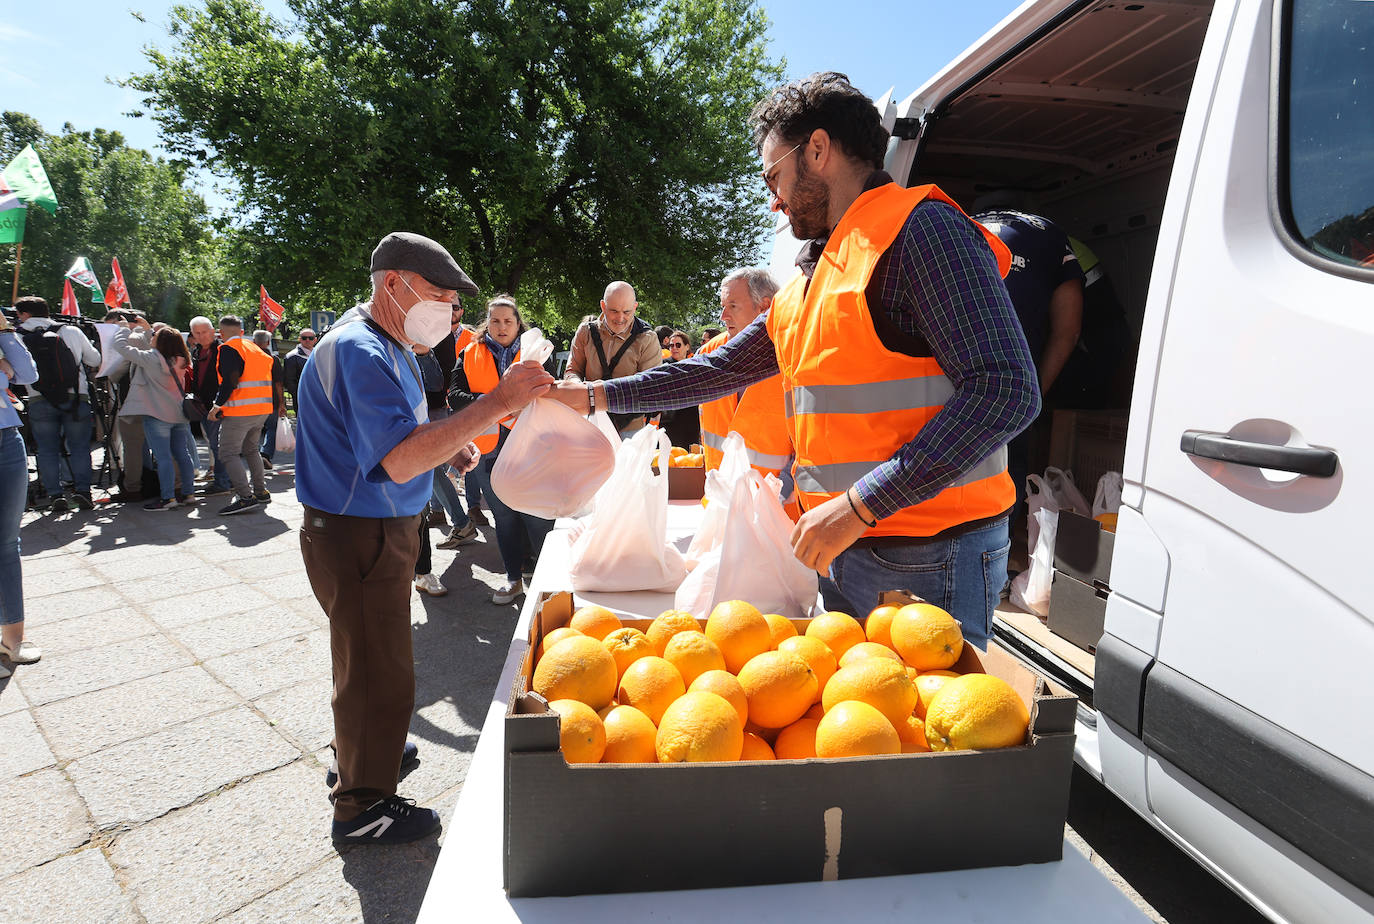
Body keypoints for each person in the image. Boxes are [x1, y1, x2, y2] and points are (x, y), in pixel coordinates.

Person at [551, 72, 1039, 648]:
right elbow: (716, 370)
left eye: (774, 175)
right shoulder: (811, 279)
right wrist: (586, 395)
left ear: (817, 149)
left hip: (930, 557)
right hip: (842, 547)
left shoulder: (923, 232)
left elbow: (1006, 390)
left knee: (927, 734)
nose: (772, 197)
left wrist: (859, 505)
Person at [296, 231, 552, 845]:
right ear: (394, 285)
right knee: (379, 671)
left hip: (369, 526)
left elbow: (398, 440)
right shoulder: (363, 349)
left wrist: (447, 449)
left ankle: (359, 751)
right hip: (361, 532)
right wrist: (496, 403)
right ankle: (362, 806)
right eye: (438, 293)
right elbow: (397, 458)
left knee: (361, 659)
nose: (449, 308)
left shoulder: (386, 345)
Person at [971, 208, 1084, 509]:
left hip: (949, 387)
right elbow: (1068, 331)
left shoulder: (955, 223)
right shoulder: (1049, 232)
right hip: (1012, 388)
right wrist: (1034, 396)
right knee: (1004, 486)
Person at [449, 294, 558, 605]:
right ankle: (513, 580)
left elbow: (552, 390)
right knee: (504, 518)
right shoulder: (470, 351)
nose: (501, 326)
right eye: (495, 320)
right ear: (487, 322)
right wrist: (496, 405)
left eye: (508, 320)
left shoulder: (536, 351)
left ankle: (545, 582)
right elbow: (455, 396)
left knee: (538, 518)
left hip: (531, 448)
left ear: (517, 322)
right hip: (489, 451)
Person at [697, 268, 794, 493]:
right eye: (723, 307)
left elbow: (809, 441)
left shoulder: (794, 356)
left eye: (733, 306)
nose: (723, 316)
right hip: (719, 502)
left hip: (775, 510)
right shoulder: (709, 351)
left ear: (765, 307)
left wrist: (781, 492)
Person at [14, 296, 100, 511]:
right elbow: (95, 360)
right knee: (80, 447)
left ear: (24, 314)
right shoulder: (70, 331)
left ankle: (55, 495)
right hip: (75, 397)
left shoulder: (16, 336)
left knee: (46, 449)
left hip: (38, 398)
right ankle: (83, 491)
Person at [112, 320, 199, 510]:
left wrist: (123, 329)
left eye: (155, 336)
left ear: (161, 342)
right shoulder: (183, 359)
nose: (152, 338)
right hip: (179, 414)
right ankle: (189, 493)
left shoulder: (151, 358)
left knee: (164, 457)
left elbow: (120, 346)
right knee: (183, 455)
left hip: (157, 414)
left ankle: (168, 498)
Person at [563, 280, 661, 436]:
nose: (620, 318)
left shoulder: (647, 338)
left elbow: (651, 386)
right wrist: (579, 387)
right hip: (590, 423)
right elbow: (572, 370)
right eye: (614, 311)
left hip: (629, 429)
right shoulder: (585, 332)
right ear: (603, 306)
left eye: (627, 312)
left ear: (635, 307)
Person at [0, 312, 40, 668]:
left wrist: (5, 332)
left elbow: (27, 374)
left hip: (7, 438)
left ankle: (12, 640)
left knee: (7, 543)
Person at [207, 316, 274, 515]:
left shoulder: (229, 349)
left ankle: (246, 497)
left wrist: (216, 406)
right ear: (242, 332)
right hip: (261, 409)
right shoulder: (256, 350)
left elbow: (230, 381)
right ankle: (260, 491)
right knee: (251, 450)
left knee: (228, 453)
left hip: (239, 410)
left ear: (221, 332)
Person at [432, 302, 480, 551]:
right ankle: (441, 513)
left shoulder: (464, 338)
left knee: (433, 467)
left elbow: (448, 376)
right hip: (433, 408)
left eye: (456, 306)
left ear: (462, 310)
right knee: (432, 467)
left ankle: (466, 516)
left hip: (445, 406)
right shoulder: (432, 331)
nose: (451, 310)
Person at [189, 317, 234, 497]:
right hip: (203, 406)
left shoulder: (223, 350)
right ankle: (226, 480)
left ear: (213, 331)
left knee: (218, 446)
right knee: (215, 445)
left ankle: (223, 482)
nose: (201, 336)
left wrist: (219, 404)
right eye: (197, 333)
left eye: (204, 332)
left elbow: (229, 381)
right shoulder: (197, 351)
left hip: (219, 406)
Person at [658, 330, 700, 448]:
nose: (674, 348)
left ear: (687, 346)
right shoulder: (663, 365)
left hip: (691, 417)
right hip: (670, 417)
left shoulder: (695, 364)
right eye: (671, 345)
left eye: (678, 345)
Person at [253, 329, 286, 474]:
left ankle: (253, 457)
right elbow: (279, 383)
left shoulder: (247, 358)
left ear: (254, 342)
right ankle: (265, 454)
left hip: (250, 401)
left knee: (252, 430)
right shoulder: (273, 359)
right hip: (270, 400)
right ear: (267, 342)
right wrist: (281, 403)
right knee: (271, 428)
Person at [283, 328, 315, 413]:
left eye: (310, 338)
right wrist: (298, 395)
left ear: (315, 339)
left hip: (319, 396)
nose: (307, 340)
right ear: (299, 339)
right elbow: (289, 380)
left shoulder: (319, 354)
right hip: (302, 398)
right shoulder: (292, 356)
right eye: (304, 338)